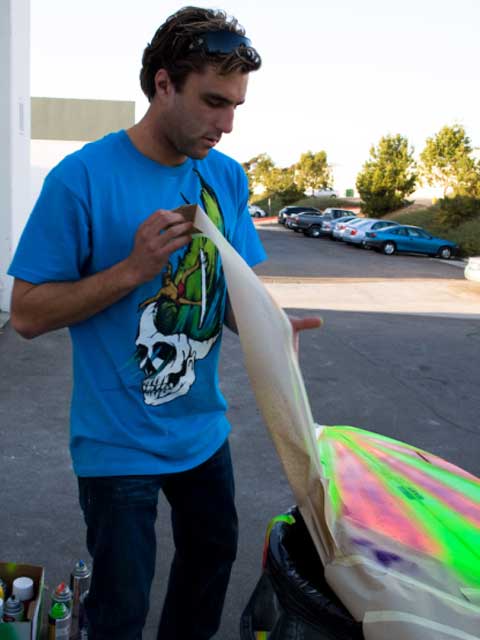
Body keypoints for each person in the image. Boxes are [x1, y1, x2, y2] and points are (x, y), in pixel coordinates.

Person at [8, 6, 321, 639]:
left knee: (209, 567)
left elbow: (232, 292)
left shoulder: (224, 177)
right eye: (213, 102)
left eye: (236, 106)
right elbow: (26, 315)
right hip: (116, 443)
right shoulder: (81, 179)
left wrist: (269, 328)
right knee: (121, 607)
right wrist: (132, 270)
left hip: (202, 434)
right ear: (163, 84)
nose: (227, 124)